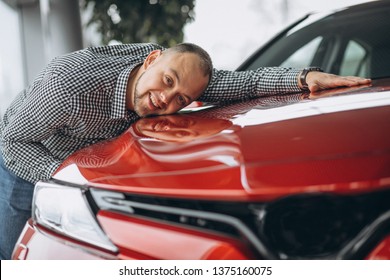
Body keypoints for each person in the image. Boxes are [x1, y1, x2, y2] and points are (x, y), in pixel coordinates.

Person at [0, 42, 371, 259]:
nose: (166, 100)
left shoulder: (173, 68)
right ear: (151, 61)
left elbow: (239, 83)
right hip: (26, 161)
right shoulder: (68, 90)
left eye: (182, 99)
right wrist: (70, 180)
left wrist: (303, 78)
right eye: (167, 82)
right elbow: (11, 141)